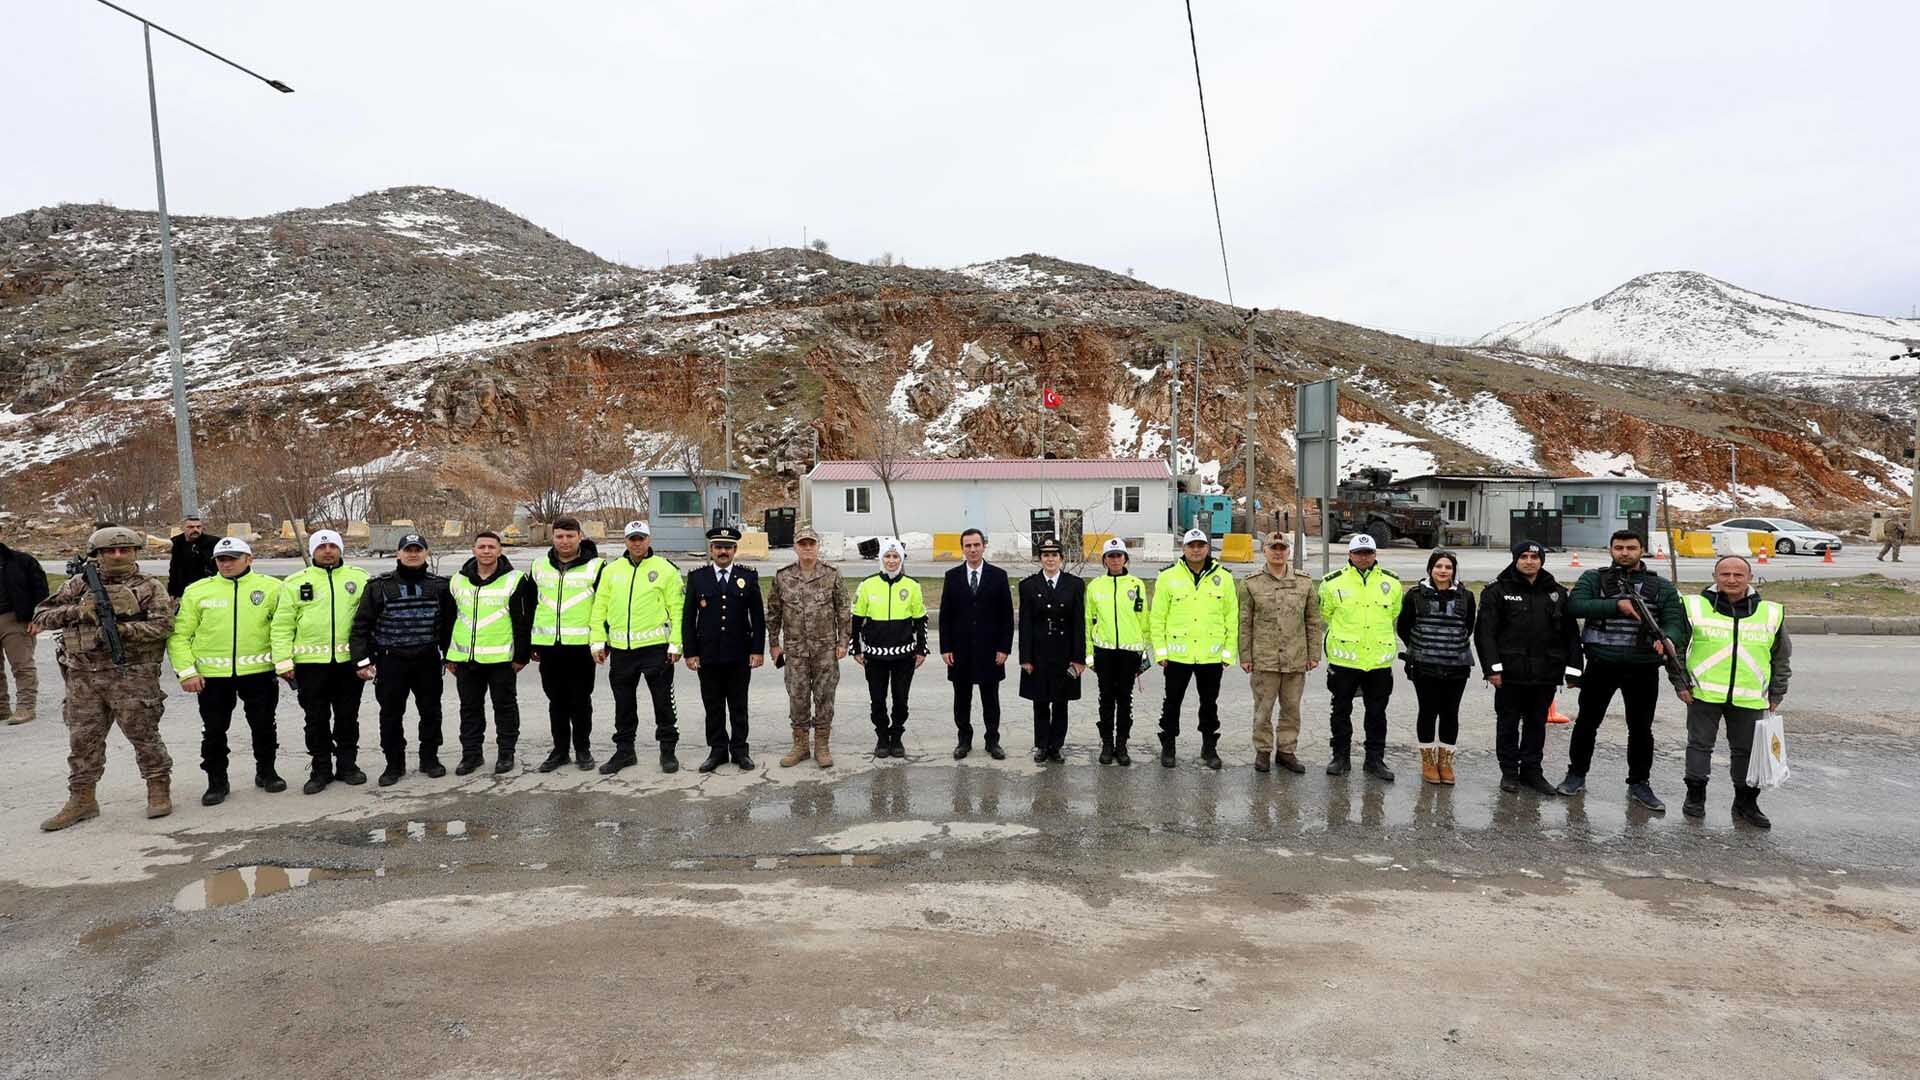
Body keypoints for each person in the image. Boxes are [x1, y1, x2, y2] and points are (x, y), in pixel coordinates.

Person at [32, 526, 176, 830]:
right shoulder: (78, 585)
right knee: (82, 742)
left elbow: (164, 626)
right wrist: (80, 611)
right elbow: (41, 617)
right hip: (83, 676)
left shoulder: (149, 587)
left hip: (132, 676)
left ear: (136, 552)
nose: (117, 555)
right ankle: (82, 800)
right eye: (109, 551)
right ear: (96, 555)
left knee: (144, 736)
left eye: (125, 550)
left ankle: (158, 789)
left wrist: (124, 630)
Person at [1559, 529, 1689, 810]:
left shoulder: (1662, 586)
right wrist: (1616, 605)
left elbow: (1674, 621)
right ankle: (1576, 774)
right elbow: (1575, 605)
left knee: (1641, 729)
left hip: (1642, 668)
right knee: (1587, 724)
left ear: (1642, 550)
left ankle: (1640, 783)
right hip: (1601, 664)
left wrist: (1667, 638)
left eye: (1631, 547)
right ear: (1611, 550)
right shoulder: (1594, 578)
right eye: (1619, 548)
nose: (1625, 553)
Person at [1679, 555, 1792, 828]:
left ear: (1749, 578)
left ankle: (1746, 803)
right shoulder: (1694, 606)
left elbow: (1781, 657)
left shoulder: (1771, 612)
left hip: (1750, 696)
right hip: (1702, 693)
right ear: (1716, 577)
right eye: (1725, 574)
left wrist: (1777, 693)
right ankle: (1695, 797)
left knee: (1745, 753)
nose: (1731, 580)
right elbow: (1677, 649)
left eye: (1738, 575)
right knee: (1699, 746)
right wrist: (1680, 682)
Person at [169, 536, 284, 806]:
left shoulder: (273, 588)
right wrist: (187, 672)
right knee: (214, 731)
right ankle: (217, 782)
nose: (227, 563)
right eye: (222, 559)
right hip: (212, 678)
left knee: (264, 726)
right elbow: (179, 636)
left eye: (233, 558)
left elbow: (284, 629)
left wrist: (284, 664)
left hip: (259, 673)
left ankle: (267, 772)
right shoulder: (198, 591)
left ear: (249, 559)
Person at [1475, 540, 1583, 796]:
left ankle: (1532, 772)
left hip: (1546, 673)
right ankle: (1510, 773)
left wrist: (1574, 669)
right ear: (1515, 559)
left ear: (1541, 561)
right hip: (1510, 673)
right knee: (1508, 723)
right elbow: (1485, 634)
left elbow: (1570, 634)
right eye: (1523, 556)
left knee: (1536, 724)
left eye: (1534, 557)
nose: (1529, 561)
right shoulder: (1497, 591)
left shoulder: (1556, 592)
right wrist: (1492, 669)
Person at [348, 533, 456, 787]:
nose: (413, 553)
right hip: (391, 660)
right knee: (391, 715)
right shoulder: (379, 586)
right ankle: (393, 765)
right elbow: (361, 626)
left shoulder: (440, 586)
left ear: (426, 554)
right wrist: (362, 661)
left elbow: (448, 627)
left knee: (431, 712)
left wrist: (451, 657)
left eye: (418, 549)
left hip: (427, 659)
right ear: (398, 554)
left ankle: (430, 759)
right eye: (408, 550)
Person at [271, 529, 371, 794]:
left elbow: (369, 623)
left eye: (332, 546)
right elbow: (282, 626)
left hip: (348, 664)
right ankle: (320, 770)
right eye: (322, 547)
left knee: (348, 717)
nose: (328, 551)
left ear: (340, 550)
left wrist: (368, 659)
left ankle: (348, 766)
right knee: (315, 719)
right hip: (310, 666)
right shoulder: (294, 582)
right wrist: (283, 662)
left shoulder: (359, 579)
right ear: (313, 551)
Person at [591, 521, 683, 774]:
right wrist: (598, 641)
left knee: (663, 704)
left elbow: (677, 609)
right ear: (626, 541)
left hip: (656, 650)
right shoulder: (611, 570)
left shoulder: (664, 569)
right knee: (624, 706)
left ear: (649, 540)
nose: (637, 543)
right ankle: (624, 752)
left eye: (641, 538)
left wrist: (676, 643)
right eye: (632, 538)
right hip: (621, 651)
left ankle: (667, 751)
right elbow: (599, 608)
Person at [447, 530, 535, 776]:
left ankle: (506, 754)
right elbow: (448, 621)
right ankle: (471, 756)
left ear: (500, 550)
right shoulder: (457, 580)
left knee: (505, 709)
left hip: (501, 660)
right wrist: (449, 655)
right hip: (466, 660)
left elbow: (522, 621)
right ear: (473, 550)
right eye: (481, 547)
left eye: (491, 547)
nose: (486, 551)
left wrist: (521, 656)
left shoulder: (515, 579)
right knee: (470, 710)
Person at [1151, 528, 1238, 770]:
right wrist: (1160, 652)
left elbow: (1232, 616)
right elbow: (1157, 617)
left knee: (1209, 705)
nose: (1196, 549)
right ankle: (1168, 746)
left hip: (1211, 655)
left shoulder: (1225, 577)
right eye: (1192, 545)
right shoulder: (1168, 577)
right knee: (1172, 703)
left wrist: (1228, 653)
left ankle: (1209, 747)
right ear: (1184, 549)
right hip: (1178, 655)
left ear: (1208, 548)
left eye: (1201, 545)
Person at [1319, 534, 1403, 781]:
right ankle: (1340, 756)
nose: (1363, 557)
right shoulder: (1332, 582)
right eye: (1358, 553)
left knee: (1377, 713)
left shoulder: (1392, 583)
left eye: (1368, 552)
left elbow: (1394, 613)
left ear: (1375, 554)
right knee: (1341, 710)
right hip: (1345, 659)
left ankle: (1374, 760)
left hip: (1378, 660)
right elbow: (1326, 613)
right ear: (1350, 555)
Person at [1237, 533, 1323, 774]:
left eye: (1282, 548)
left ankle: (1286, 751)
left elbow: (1313, 621)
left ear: (1289, 551)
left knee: (1291, 708)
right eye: (1272, 548)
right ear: (1264, 551)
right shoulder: (1251, 583)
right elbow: (1244, 622)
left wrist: (1313, 653)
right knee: (1263, 709)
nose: (1278, 552)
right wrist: (1245, 656)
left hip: (1296, 657)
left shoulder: (1304, 582)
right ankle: (1263, 751)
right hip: (1264, 657)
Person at [765, 524, 849, 769]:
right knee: (798, 698)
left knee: (825, 698)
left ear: (817, 547)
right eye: (803, 544)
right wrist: (774, 645)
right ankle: (801, 746)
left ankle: (822, 746)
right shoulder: (783, 577)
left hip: (825, 650)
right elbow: (773, 614)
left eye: (811, 543)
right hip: (795, 651)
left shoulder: (832, 574)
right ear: (795, 547)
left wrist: (843, 642)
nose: (807, 548)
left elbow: (844, 611)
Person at [682, 526, 765, 772]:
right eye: (718, 547)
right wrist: (690, 652)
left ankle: (740, 750)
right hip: (707, 654)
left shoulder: (747, 576)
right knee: (713, 705)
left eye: (727, 547)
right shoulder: (698, 577)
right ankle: (717, 750)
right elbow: (688, 618)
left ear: (735, 550)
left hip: (739, 654)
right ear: (711, 549)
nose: (723, 551)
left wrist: (757, 650)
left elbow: (758, 618)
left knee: (739, 705)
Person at [1396, 550, 1477, 786]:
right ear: (1430, 569)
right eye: (1438, 566)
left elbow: (1468, 626)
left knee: (1450, 713)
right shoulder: (1414, 595)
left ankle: (1445, 762)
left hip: (1457, 665)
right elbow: (1404, 627)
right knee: (1428, 711)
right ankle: (1428, 762)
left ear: (1454, 570)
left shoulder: (1467, 596)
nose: (1443, 571)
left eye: (1448, 567)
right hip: (1424, 665)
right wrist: (1422, 648)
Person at [530, 516, 603, 772]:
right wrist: (532, 642)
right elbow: (530, 606)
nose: (564, 541)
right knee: (556, 701)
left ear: (580, 537)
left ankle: (583, 749)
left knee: (580, 701)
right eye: (559, 536)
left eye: (570, 536)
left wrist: (600, 642)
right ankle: (560, 751)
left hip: (581, 646)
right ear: (553, 537)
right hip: (549, 645)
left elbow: (603, 608)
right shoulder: (538, 566)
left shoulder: (596, 567)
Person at [939, 528, 1014, 760]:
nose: (972, 549)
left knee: (990, 698)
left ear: (984, 546)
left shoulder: (998, 576)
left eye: (976, 545)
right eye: (968, 546)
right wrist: (946, 647)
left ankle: (993, 741)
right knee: (962, 699)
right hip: (960, 651)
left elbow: (1007, 616)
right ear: (962, 548)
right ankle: (964, 740)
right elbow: (945, 615)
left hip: (990, 651)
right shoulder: (952, 576)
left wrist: (1004, 648)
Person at [852, 538, 929, 759]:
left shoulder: (912, 586)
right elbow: (856, 620)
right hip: (874, 655)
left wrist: (922, 649)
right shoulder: (867, 585)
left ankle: (896, 736)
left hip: (903, 655)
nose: (891, 561)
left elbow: (920, 620)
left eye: (896, 556)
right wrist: (855, 647)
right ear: (880, 558)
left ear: (901, 559)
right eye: (887, 556)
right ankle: (882, 737)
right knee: (877, 699)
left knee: (900, 699)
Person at [1018, 537, 1086, 763]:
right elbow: (1025, 624)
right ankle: (1042, 745)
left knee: (1060, 701)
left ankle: (1056, 746)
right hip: (1038, 653)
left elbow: (1079, 624)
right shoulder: (1028, 586)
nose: (1050, 559)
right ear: (1040, 559)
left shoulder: (1075, 584)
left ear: (1062, 558)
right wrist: (1025, 657)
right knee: (1040, 701)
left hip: (1064, 653)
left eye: (1054, 555)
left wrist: (1078, 658)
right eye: (1045, 555)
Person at [1086, 537, 1151, 766]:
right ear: (1104, 560)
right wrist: (1089, 653)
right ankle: (1106, 743)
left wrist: (1143, 651)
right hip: (1103, 651)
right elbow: (1088, 621)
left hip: (1128, 651)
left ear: (1125, 558)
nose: (1115, 560)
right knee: (1106, 699)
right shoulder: (1095, 586)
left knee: (1125, 699)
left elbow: (1143, 620)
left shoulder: (1136, 584)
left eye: (1119, 555)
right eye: (1110, 556)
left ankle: (1122, 744)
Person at [0, 536, 50, 726]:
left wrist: (38, 618)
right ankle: (1, 709)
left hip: (14, 620)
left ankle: (26, 708)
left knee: (22, 666)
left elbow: (41, 591)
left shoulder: (22, 561)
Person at [167, 513, 218, 598]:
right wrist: (172, 592)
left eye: (198, 527)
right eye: (191, 527)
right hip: (183, 590)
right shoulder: (177, 542)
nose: (195, 530)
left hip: (207, 588)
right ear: (183, 528)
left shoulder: (213, 542)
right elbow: (174, 569)